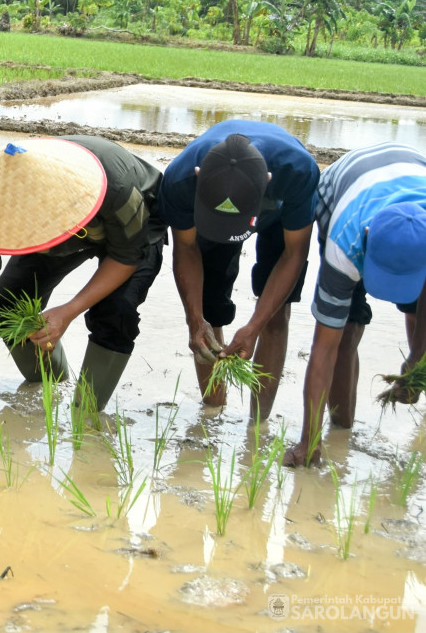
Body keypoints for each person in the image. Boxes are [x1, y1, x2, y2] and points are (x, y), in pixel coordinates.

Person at [0, 136, 166, 408]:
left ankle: (87, 410)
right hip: (64, 230)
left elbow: (126, 257)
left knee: (116, 312)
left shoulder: (116, 186)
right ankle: (50, 385)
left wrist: (68, 311)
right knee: (10, 302)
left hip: (134, 225)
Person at [159, 121, 318, 416]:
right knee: (207, 309)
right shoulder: (181, 179)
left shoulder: (297, 173)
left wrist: (254, 326)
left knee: (275, 315)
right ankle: (213, 412)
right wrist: (194, 318)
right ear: (199, 177)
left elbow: (294, 253)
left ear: (268, 181)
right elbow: (186, 248)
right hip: (212, 210)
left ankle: (258, 425)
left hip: (278, 215)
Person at [284, 142, 426, 467]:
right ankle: (339, 428)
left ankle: (341, 426)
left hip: (413, 180)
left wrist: (417, 360)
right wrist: (309, 442)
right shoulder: (344, 242)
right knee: (344, 330)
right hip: (340, 189)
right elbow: (323, 349)